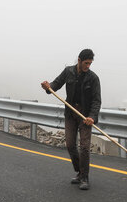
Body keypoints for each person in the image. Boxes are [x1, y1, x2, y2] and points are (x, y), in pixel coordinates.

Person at [41, 49, 101, 190]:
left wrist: (92, 117)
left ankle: (84, 177)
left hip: (85, 116)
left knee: (85, 147)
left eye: (90, 64)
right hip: (70, 113)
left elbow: (96, 101)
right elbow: (54, 86)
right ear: (79, 60)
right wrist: (47, 87)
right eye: (86, 63)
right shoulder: (68, 72)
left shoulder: (93, 78)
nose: (88, 66)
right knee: (70, 145)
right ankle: (80, 172)